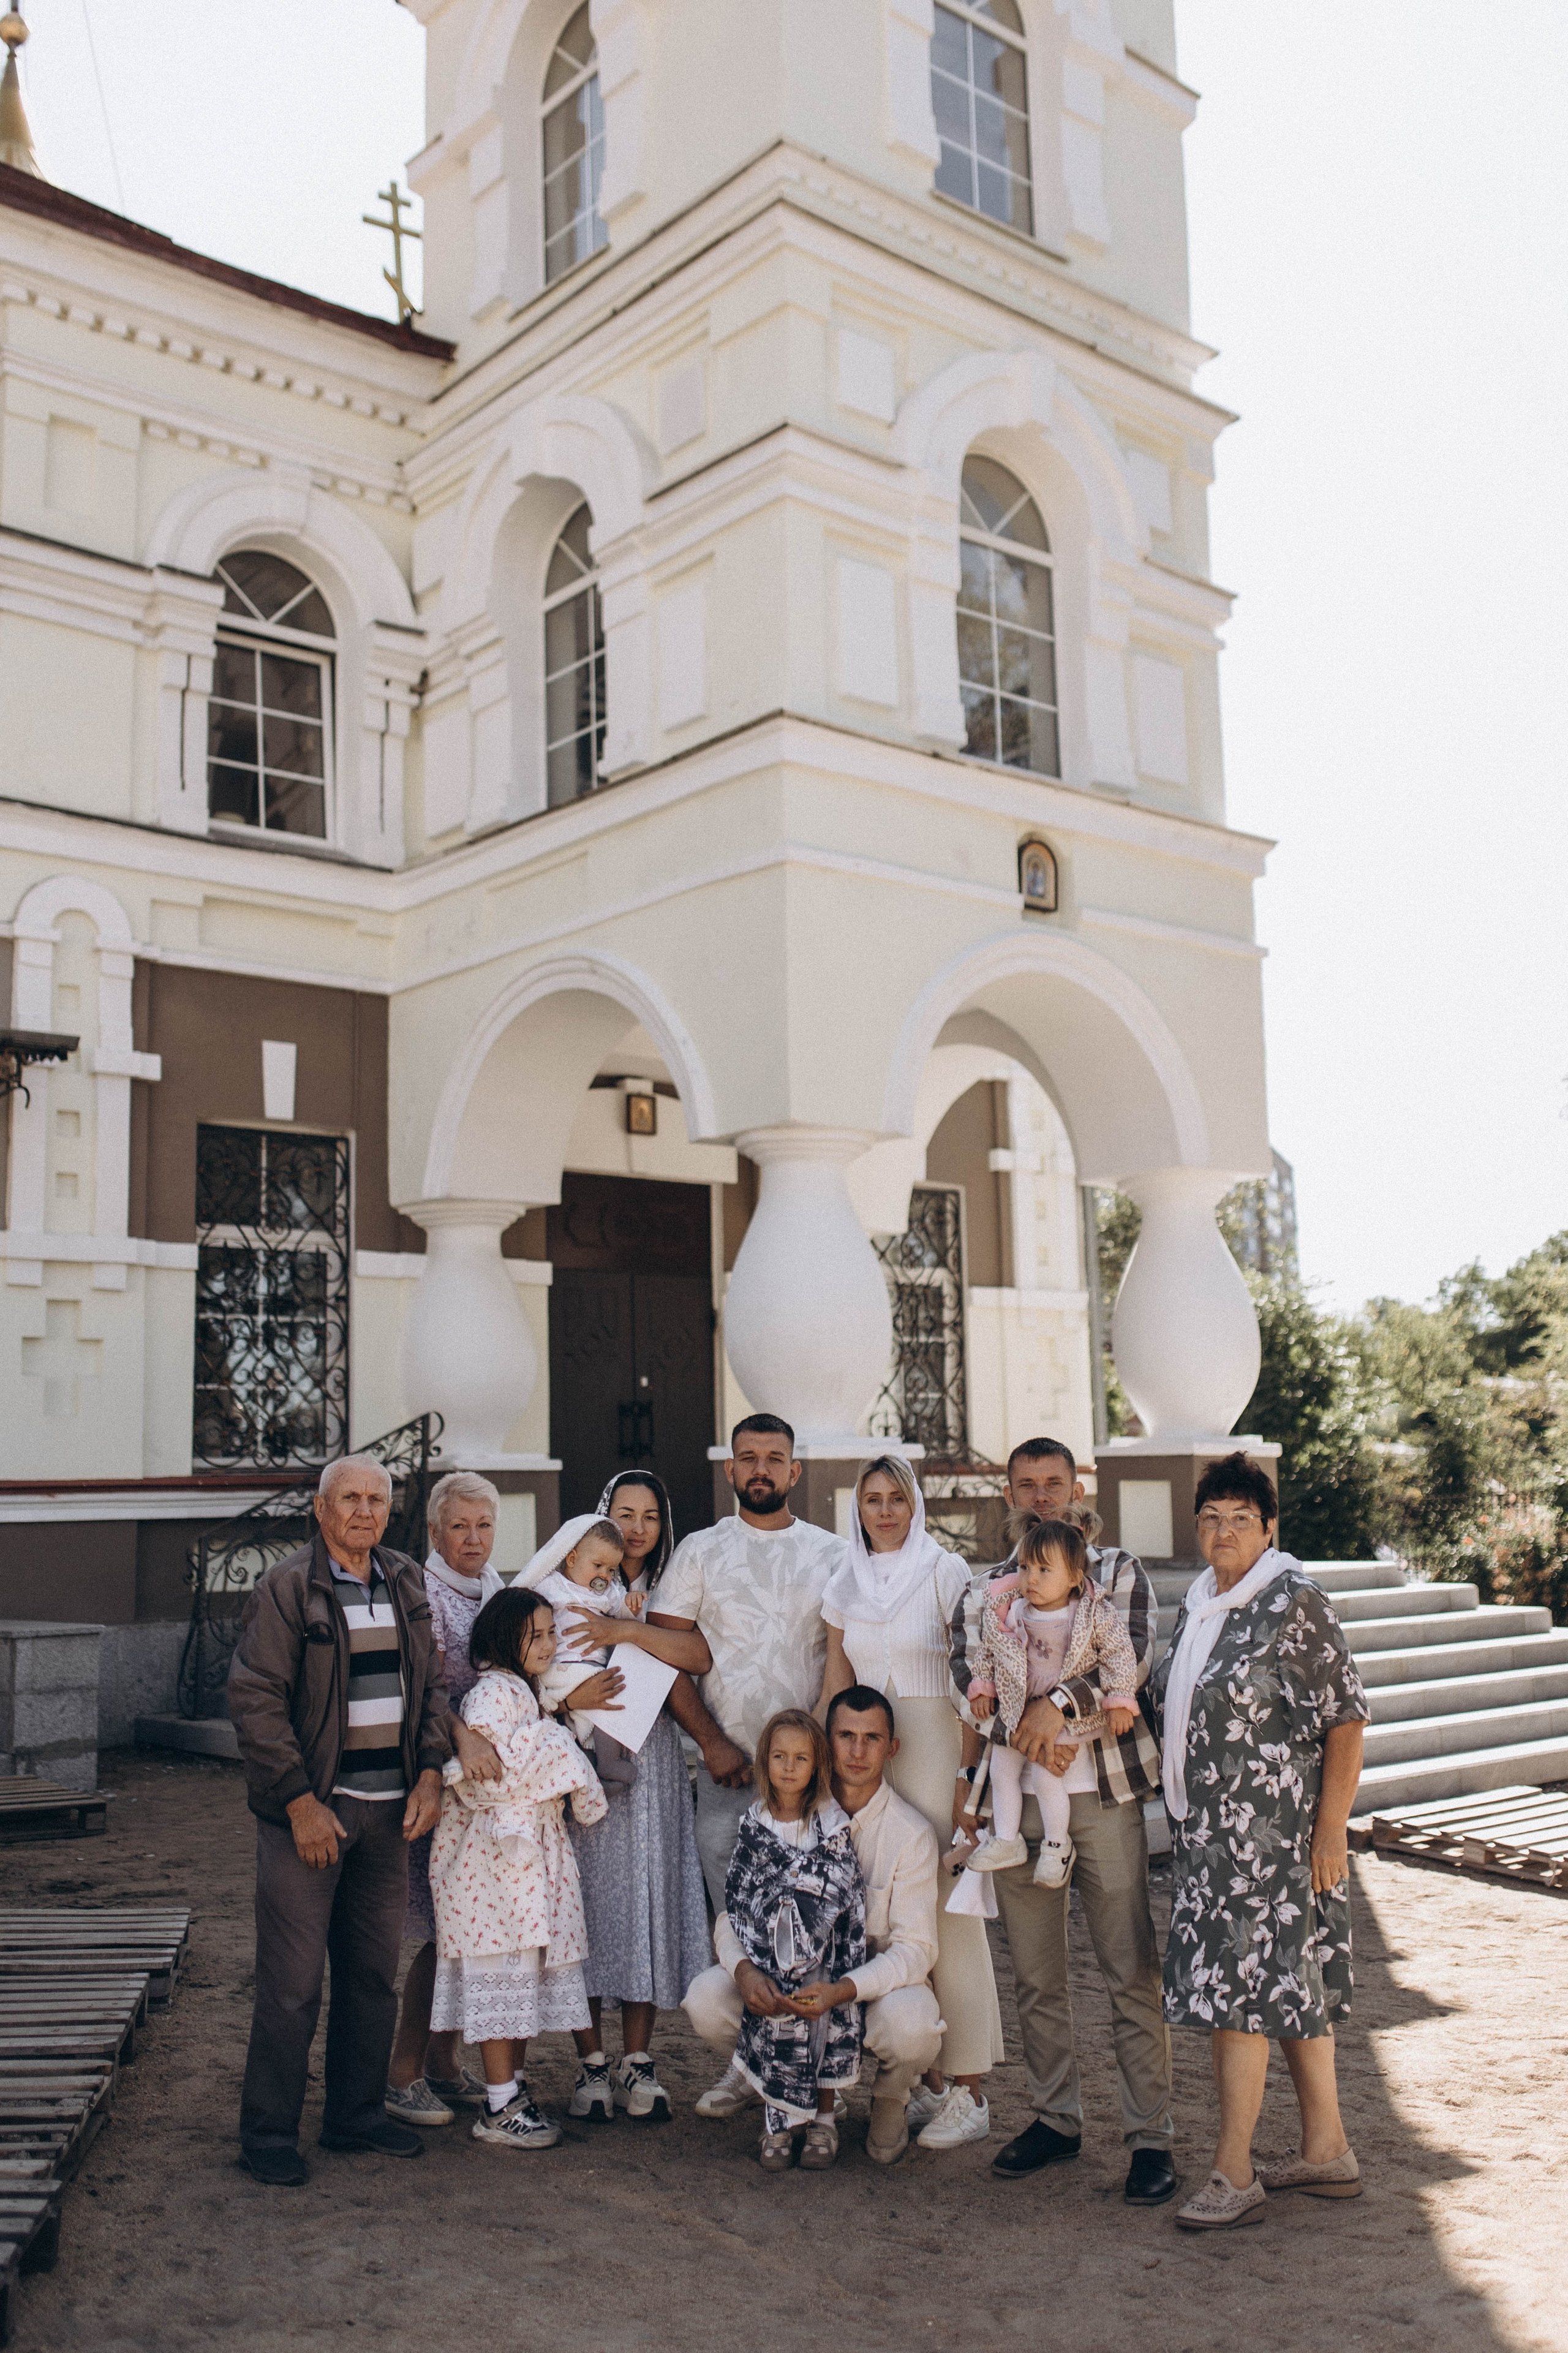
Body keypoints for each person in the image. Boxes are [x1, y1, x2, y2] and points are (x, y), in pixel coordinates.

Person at [948, 1435, 1176, 2206]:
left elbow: (1134, 1658)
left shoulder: (1116, 1572)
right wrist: (1009, 1715)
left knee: (1128, 1966)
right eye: (1027, 1486)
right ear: (1010, 1494)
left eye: (1053, 1483)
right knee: (1037, 1972)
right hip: (1016, 1797)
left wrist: (1056, 1704)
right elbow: (962, 1673)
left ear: (1075, 1485)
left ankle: (1149, 2135)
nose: (1042, 1496)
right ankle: (1055, 2117)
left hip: (1101, 1795)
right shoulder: (987, 1589)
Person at [1151, 1452, 1369, 2231]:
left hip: (1274, 1842)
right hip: (1211, 1840)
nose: (1223, 1530)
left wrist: (1330, 1830)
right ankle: (1327, 2149)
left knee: (1237, 2000)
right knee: (1290, 1990)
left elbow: (1346, 1718)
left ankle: (1232, 2171)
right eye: (1211, 1516)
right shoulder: (1202, 1604)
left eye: (1241, 1518)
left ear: (1269, 1527)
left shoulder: (1293, 1600)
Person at [227, 1455, 459, 2186]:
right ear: (322, 1510)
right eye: (350, 1498)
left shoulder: (405, 1579)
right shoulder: (288, 1586)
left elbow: (428, 1689)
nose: (364, 1510)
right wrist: (298, 1801)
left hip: (390, 1817)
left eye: (377, 1499)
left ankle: (355, 2116)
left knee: (370, 1978)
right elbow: (256, 1698)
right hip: (312, 1819)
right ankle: (268, 2132)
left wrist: (429, 1771)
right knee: (292, 1983)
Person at [816, 1454, 1004, 2153]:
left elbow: (972, 1678)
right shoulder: (843, 1578)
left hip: (931, 1745)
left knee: (948, 1915)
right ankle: (922, 2084)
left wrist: (967, 1778)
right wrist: (825, 1761)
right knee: (883, 1907)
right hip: (866, 1748)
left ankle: (971, 2089)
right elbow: (838, 1670)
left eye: (897, 1497)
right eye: (872, 1499)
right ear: (857, 1507)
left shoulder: (944, 1570)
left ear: (915, 1503)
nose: (885, 1510)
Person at [686, 1685, 943, 2166]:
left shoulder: (911, 1834)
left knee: (913, 2023)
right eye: (846, 1735)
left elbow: (916, 1950)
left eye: (872, 1738)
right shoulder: (777, 1818)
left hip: (864, 1991)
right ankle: (790, 2090)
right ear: (826, 1742)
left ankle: (890, 2099)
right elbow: (732, 1914)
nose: (858, 1750)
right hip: (788, 1984)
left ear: (893, 1748)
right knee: (706, 1996)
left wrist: (844, 1989)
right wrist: (745, 1971)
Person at [387, 1470, 568, 2128]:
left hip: (490, 1795)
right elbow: (426, 1684)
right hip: (443, 1777)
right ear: (435, 1530)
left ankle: (443, 2065)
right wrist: (459, 1741)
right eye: (459, 1525)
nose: (473, 1537)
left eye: (484, 1525)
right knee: (442, 1940)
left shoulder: (494, 1587)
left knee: (466, 1939)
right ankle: (401, 2074)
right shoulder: (424, 1591)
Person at [551, 1473, 711, 2122]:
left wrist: (628, 1631)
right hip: (586, 1759)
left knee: (647, 1896)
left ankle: (637, 2059)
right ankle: (589, 2060)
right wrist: (565, 1696)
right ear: (602, 1516)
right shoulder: (564, 1588)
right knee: (587, 1901)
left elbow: (695, 1655)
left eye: (649, 1515)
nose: (638, 1527)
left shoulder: (671, 1590)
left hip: (654, 1761)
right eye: (624, 1513)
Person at [428, 1585, 607, 2150]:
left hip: (522, 1865)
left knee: (518, 1976)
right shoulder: (491, 1698)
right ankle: (500, 2102)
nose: (550, 1644)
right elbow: (485, 1779)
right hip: (493, 1867)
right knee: (498, 1974)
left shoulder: (523, 1695)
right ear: (505, 1637)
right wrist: (557, 1749)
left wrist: (549, 1744)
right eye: (538, 1634)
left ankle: (514, 2088)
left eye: (553, 1632)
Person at [650, 1414, 846, 1919]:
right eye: (748, 1459)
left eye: (775, 1459)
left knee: (808, 1923)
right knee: (735, 1928)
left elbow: (849, 1654)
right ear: (730, 1471)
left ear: (795, 1472)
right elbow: (660, 1651)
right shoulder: (700, 1551)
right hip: (727, 1775)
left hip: (811, 1775)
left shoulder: (834, 1555)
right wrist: (711, 1743)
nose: (761, 1469)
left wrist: (825, 1738)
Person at [699, 1709, 866, 2172]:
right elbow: (739, 1898)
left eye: (801, 1758)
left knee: (825, 2028)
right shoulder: (754, 1826)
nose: (789, 1767)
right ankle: (777, 2121)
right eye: (779, 1756)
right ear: (764, 1762)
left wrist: (809, 1938)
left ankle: (825, 2119)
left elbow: (841, 1889)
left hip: (826, 1959)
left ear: (817, 1765)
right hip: (769, 1961)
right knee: (775, 2023)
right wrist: (765, 1953)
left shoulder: (830, 1825)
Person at [962, 1514, 1140, 1888]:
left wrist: (1121, 1699)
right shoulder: (1011, 1610)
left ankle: (1057, 1846)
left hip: (1067, 1715)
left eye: (1045, 1570)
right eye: (1026, 1567)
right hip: (1017, 1709)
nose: (1031, 1579)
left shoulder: (1092, 1612)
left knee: (1046, 1777)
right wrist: (982, 1686)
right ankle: (1007, 1840)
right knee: (1002, 1769)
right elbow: (989, 1651)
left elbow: (1121, 1653)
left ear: (1075, 1577)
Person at [522, 1513, 641, 1782]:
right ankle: (609, 1763)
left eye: (612, 1570)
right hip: (560, 1667)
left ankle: (593, 1778)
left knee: (581, 1726)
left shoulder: (607, 1593)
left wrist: (631, 1603)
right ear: (572, 1559)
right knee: (610, 1693)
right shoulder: (551, 1585)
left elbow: (624, 1613)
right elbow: (525, 1601)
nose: (604, 1576)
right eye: (598, 1566)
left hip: (584, 1669)